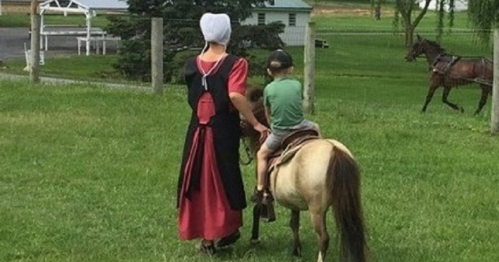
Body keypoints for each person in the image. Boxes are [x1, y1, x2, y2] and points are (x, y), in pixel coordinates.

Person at [176, 13, 268, 254]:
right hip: (221, 131)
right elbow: (235, 95)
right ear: (227, 33)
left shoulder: (191, 65)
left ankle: (208, 240)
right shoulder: (235, 63)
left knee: (198, 179)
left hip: (197, 131)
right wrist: (255, 124)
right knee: (222, 178)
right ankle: (222, 230)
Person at [251, 49, 320, 205]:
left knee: (261, 155)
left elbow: (268, 113)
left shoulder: (268, 89)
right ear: (290, 69)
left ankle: (261, 188)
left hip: (281, 132)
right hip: (302, 126)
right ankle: (319, 142)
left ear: (269, 71)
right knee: (316, 126)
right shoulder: (296, 84)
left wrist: (271, 126)